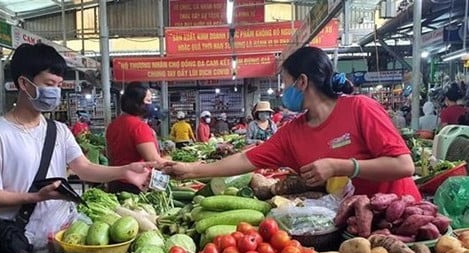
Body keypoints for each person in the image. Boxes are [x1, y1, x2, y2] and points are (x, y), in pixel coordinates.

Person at [164, 46, 419, 199]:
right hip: (353, 226)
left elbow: (404, 165)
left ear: (302, 82)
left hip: (402, 216)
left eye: (285, 83)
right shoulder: (292, 132)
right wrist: (193, 170)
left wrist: (340, 166)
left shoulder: (360, 108)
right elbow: (245, 160)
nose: (282, 91)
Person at [0, 43, 153, 253]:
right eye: (49, 84)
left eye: (59, 85)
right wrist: (35, 197)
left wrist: (124, 170)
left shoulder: (58, 130)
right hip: (24, 242)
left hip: (66, 235)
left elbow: (84, 168)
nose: (55, 92)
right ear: (24, 83)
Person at [106, 81, 165, 194]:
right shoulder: (139, 127)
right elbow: (154, 161)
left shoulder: (113, 125)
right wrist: (187, 168)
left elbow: (110, 156)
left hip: (115, 182)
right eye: (148, 101)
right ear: (137, 103)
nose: (151, 105)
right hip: (135, 185)